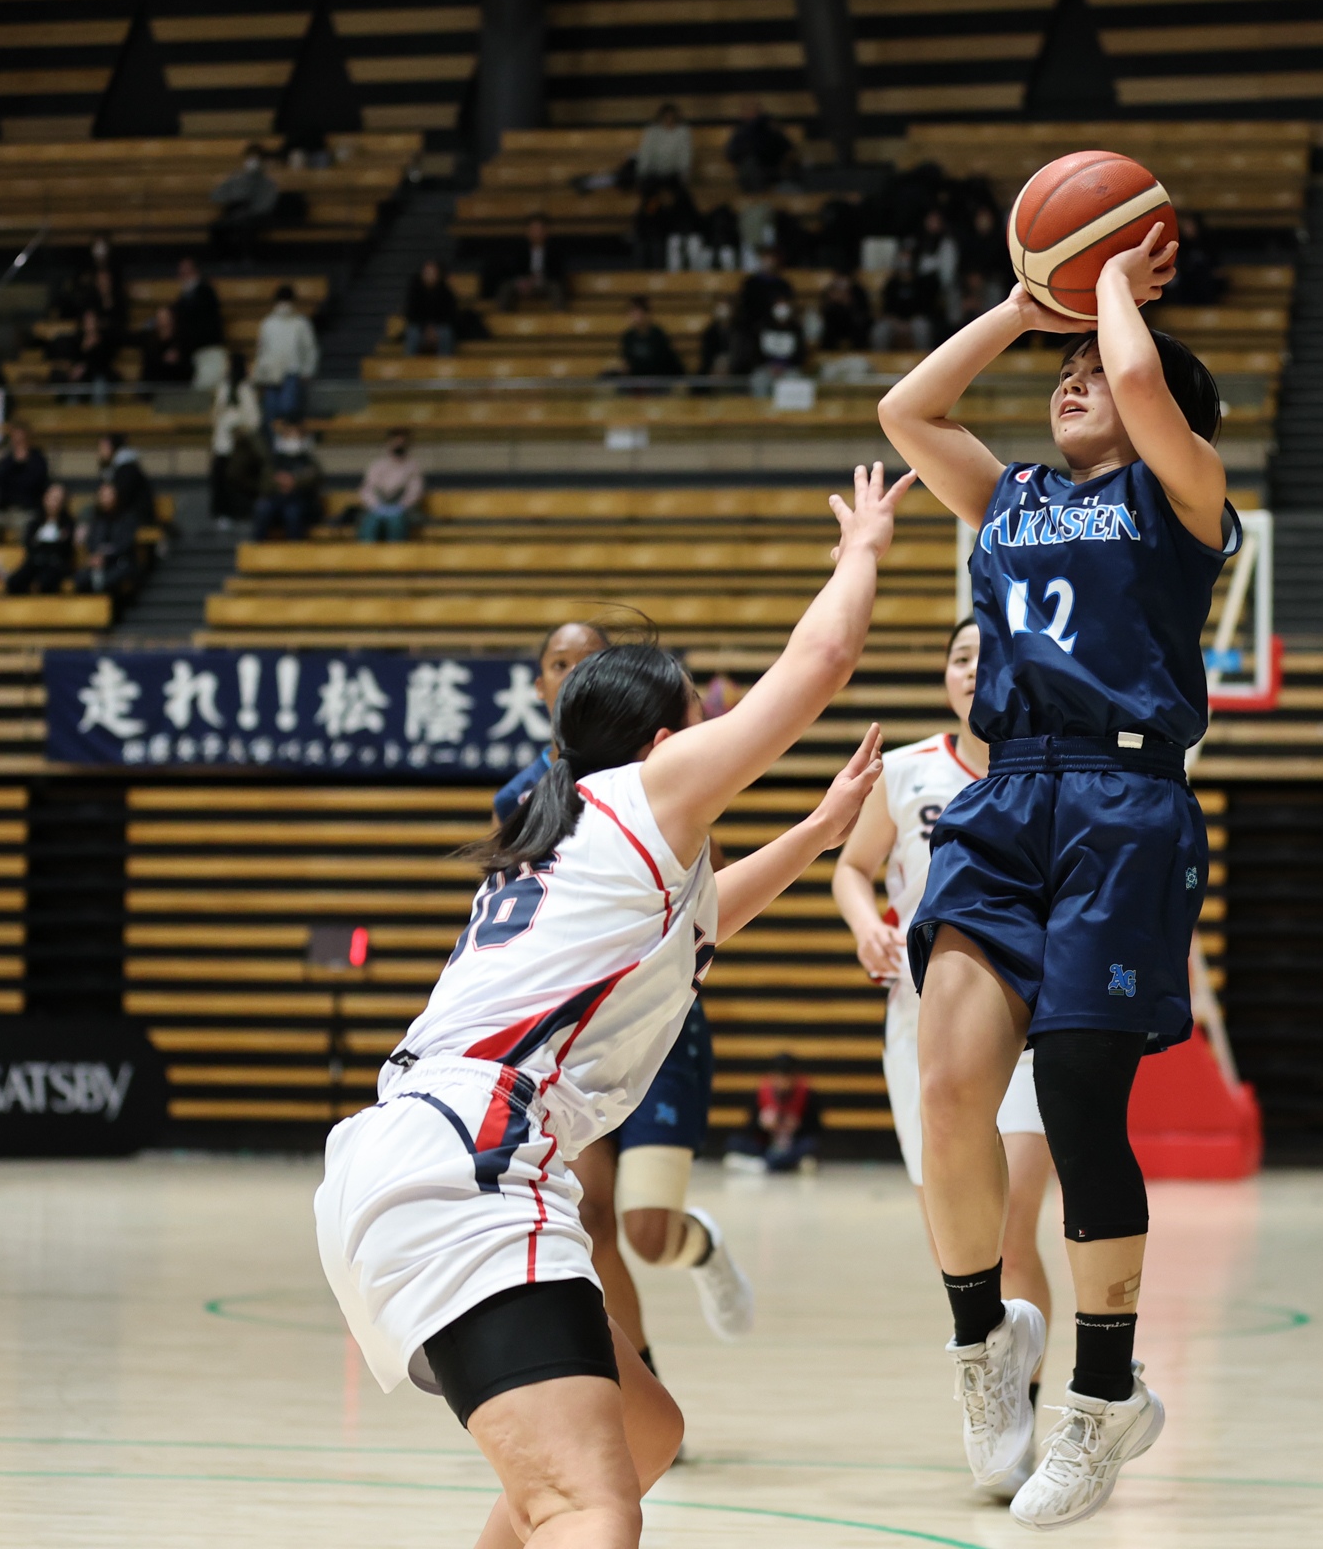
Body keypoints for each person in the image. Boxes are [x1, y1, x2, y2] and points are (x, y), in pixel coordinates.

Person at [313, 461, 910, 1549]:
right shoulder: (642, 796)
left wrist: (819, 833)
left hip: (430, 1152)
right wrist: (863, 551)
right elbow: (819, 662)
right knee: (587, 1505)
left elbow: (706, 921)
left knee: (643, 1436)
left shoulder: (585, 837)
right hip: (470, 1167)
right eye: (699, 717)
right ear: (666, 744)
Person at [878, 219, 1228, 1528]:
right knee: (950, 1087)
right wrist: (1027, 311)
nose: (1074, 379)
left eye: (1090, 369)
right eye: (1061, 372)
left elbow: (1139, 377)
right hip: (1009, 792)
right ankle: (985, 1341)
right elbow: (907, 411)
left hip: (1123, 803)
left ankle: (1101, 1398)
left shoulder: (1183, 497)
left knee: (1079, 1097)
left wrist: (1114, 291)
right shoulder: (1011, 497)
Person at [489, 623, 759, 1377]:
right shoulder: (521, 797)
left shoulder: (665, 775)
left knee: (648, 1232)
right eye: (559, 662)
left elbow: (709, 890)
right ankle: (636, 1390)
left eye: (589, 660)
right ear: (541, 685)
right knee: (592, 1218)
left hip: (660, 1026)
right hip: (574, 1037)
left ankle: (697, 1246)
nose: (572, 671)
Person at [830, 618, 1057, 1493]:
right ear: (946, 676)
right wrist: (868, 926)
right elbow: (852, 868)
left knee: (1011, 1222)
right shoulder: (906, 771)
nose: (973, 669)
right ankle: (991, 1365)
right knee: (954, 1236)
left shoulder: (1052, 769)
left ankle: (1014, 1415)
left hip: (1028, 1016)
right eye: (961, 657)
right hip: (920, 1019)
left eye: (988, 656)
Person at [724, 1054, 821, 1172]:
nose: (782, 1082)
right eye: (779, 1077)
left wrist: (798, 1125)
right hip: (766, 1146)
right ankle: (781, 1164)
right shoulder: (762, 1094)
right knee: (734, 1142)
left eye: (786, 1077)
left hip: (792, 1145)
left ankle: (764, 1164)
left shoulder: (807, 1096)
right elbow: (749, 1129)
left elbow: (816, 1131)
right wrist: (762, 1124)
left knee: (810, 1145)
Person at [210, 353, 265, 531]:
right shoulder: (223, 388)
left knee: (236, 481)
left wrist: (240, 429)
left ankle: (241, 513)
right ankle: (222, 514)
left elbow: (254, 419)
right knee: (219, 480)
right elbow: (216, 415)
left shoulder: (245, 389)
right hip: (221, 444)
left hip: (239, 447)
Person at [252, 284, 319, 423]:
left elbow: (310, 349)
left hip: (292, 373)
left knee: (288, 409)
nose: (284, 305)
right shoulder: (268, 323)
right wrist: (260, 374)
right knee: (271, 412)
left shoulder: (301, 323)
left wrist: (307, 371)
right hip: (271, 375)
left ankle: (290, 435)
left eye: (286, 301)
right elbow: (262, 351)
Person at [251, 418, 322, 541]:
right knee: (262, 508)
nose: (292, 437)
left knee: (292, 513)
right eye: (288, 433)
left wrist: (294, 481)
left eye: (296, 433)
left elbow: (315, 477)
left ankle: (295, 550)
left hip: (300, 501)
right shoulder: (274, 460)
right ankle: (258, 548)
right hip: (276, 500)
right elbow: (264, 483)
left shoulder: (307, 459)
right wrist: (278, 483)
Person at [74, 478, 142, 603]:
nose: (106, 499)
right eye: (103, 495)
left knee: (110, 581)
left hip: (120, 562)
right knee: (80, 579)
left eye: (109, 494)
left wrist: (106, 556)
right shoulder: (96, 518)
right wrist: (95, 556)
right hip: (98, 562)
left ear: (117, 496)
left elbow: (125, 544)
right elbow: (91, 541)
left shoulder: (127, 518)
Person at [4, 482, 75, 594]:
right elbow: (30, 545)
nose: (54, 503)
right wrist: (51, 543)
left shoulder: (68, 523)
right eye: (52, 498)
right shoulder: (35, 522)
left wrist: (41, 543)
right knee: (14, 582)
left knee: (45, 583)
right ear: (45, 498)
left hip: (56, 564)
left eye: (58, 499)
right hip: (35, 562)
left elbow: (65, 548)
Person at [0, 422, 49, 544]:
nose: (19, 443)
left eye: (22, 439)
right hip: (4, 511)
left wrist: (22, 464)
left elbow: (34, 484)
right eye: (16, 440)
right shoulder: (7, 460)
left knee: (28, 529)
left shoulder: (38, 460)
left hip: (27, 511)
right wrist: (13, 462)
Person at [212, 144, 280, 257]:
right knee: (218, 226)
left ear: (262, 161)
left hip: (257, 217)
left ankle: (248, 260)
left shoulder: (268, 182)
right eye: (250, 158)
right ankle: (222, 259)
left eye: (256, 159)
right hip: (236, 213)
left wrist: (247, 213)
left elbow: (266, 205)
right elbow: (216, 196)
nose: (252, 162)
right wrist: (233, 200)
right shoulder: (236, 178)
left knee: (246, 226)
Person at [357, 429, 426, 542]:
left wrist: (401, 506)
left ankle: (395, 551)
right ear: (389, 443)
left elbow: (415, 491)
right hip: (377, 507)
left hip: (401, 509)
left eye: (402, 442)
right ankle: (366, 550)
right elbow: (367, 490)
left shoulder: (413, 466)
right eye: (395, 442)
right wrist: (375, 506)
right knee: (371, 523)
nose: (399, 445)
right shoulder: (378, 465)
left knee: (396, 522)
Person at [175, 257, 228, 388]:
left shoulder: (205, 292)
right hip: (195, 353)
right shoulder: (185, 296)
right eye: (181, 273)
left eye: (187, 272)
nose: (183, 276)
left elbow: (200, 323)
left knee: (204, 392)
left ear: (195, 272)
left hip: (208, 352)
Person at [875, 249, 942, 351]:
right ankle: (880, 358)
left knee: (921, 327)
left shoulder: (921, 283)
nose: (904, 266)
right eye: (902, 262)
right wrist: (897, 324)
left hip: (915, 321)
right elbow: (886, 310)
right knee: (880, 330)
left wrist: (908, 325)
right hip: (894, 322)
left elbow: (926, 310)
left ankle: (924, 357)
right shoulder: (891, 284)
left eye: (907, 262)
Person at [726, 100, 796, 191]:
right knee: (749, 165)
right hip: (750, 171)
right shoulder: (740, 132)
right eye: (746, 111)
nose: (747, 114)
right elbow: (731, 153)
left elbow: (786, 148)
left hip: (771, 168)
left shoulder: (769, 128)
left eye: (751, 111)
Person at [614, 297, 685, 384]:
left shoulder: (658, 335)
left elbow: (664, 362)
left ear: (646, 313)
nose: (634, 316)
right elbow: (626, 362)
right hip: (636, 381)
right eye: (632, 312)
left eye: (637, 312)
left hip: (658, 380)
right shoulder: (628, 337)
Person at [54, 309, 117, 403]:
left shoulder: (104, 340)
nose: (89, 323)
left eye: (91, 320)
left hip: (98, 374)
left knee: (99, 385)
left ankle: (98, 408)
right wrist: (83, 350)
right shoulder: (77, 339)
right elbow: (74, 358)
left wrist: (86, 365)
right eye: (87, 321)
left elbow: (104, 362)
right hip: (81, 376)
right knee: (72, 384)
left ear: (96, 322)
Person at [1161, 213, 1224, 306]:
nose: (1188, 229)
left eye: (1190, 225)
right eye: (1186, 226)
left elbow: (1215, 267)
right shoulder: (1179, 245)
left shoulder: (1207, 243)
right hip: (1185, 282)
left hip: (1203, 281)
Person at [94, 432, 154, 529]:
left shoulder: (128, 469)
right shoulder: (111, 469)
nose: (100, 452)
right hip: (123, 515)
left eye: (103, 447)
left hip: (136, 516)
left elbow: (121, 497)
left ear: (112, 448)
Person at [635, 102, 694, 191]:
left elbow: (685, 154)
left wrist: (684, 173)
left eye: (671, 117)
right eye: (666, 117)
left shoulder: (683, 132)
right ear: (661, 117)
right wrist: (642, 172)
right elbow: (646, 152)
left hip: (674, 174)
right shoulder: (652, 131)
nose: (669, 120)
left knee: (678, 191)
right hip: (654, 173)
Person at [406, 261, 461, 357]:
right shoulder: (415, 292)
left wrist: (434, 329)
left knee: (446, 333)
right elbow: (411, 314)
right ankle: (408, 363)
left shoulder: (446, 292)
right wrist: (425, 328)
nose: (430, 276)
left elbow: (451, 315)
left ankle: (444, 364)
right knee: (412, 332)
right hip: (421, 329)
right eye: (427, 273)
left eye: (432, 273)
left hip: (439, 329)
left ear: (438, 275)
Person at [817, 270, 873, 353]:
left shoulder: (858, 291)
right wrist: (833, 301)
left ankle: (861, 353)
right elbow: (824, 310)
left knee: (860, 327)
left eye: (844, 278)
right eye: (839, 277)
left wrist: (848, 302)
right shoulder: (830, 291)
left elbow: (864, 312)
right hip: (834, 325)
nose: (842, 281)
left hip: (854, 324)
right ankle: (827, 353)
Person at [142, 304, 194, 387]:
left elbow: (187, 367)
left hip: (176, 384)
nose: (162, 321)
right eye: (160, 318)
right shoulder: (150, 340)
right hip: (154, 384)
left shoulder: (181, 341)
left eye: (165, 317)